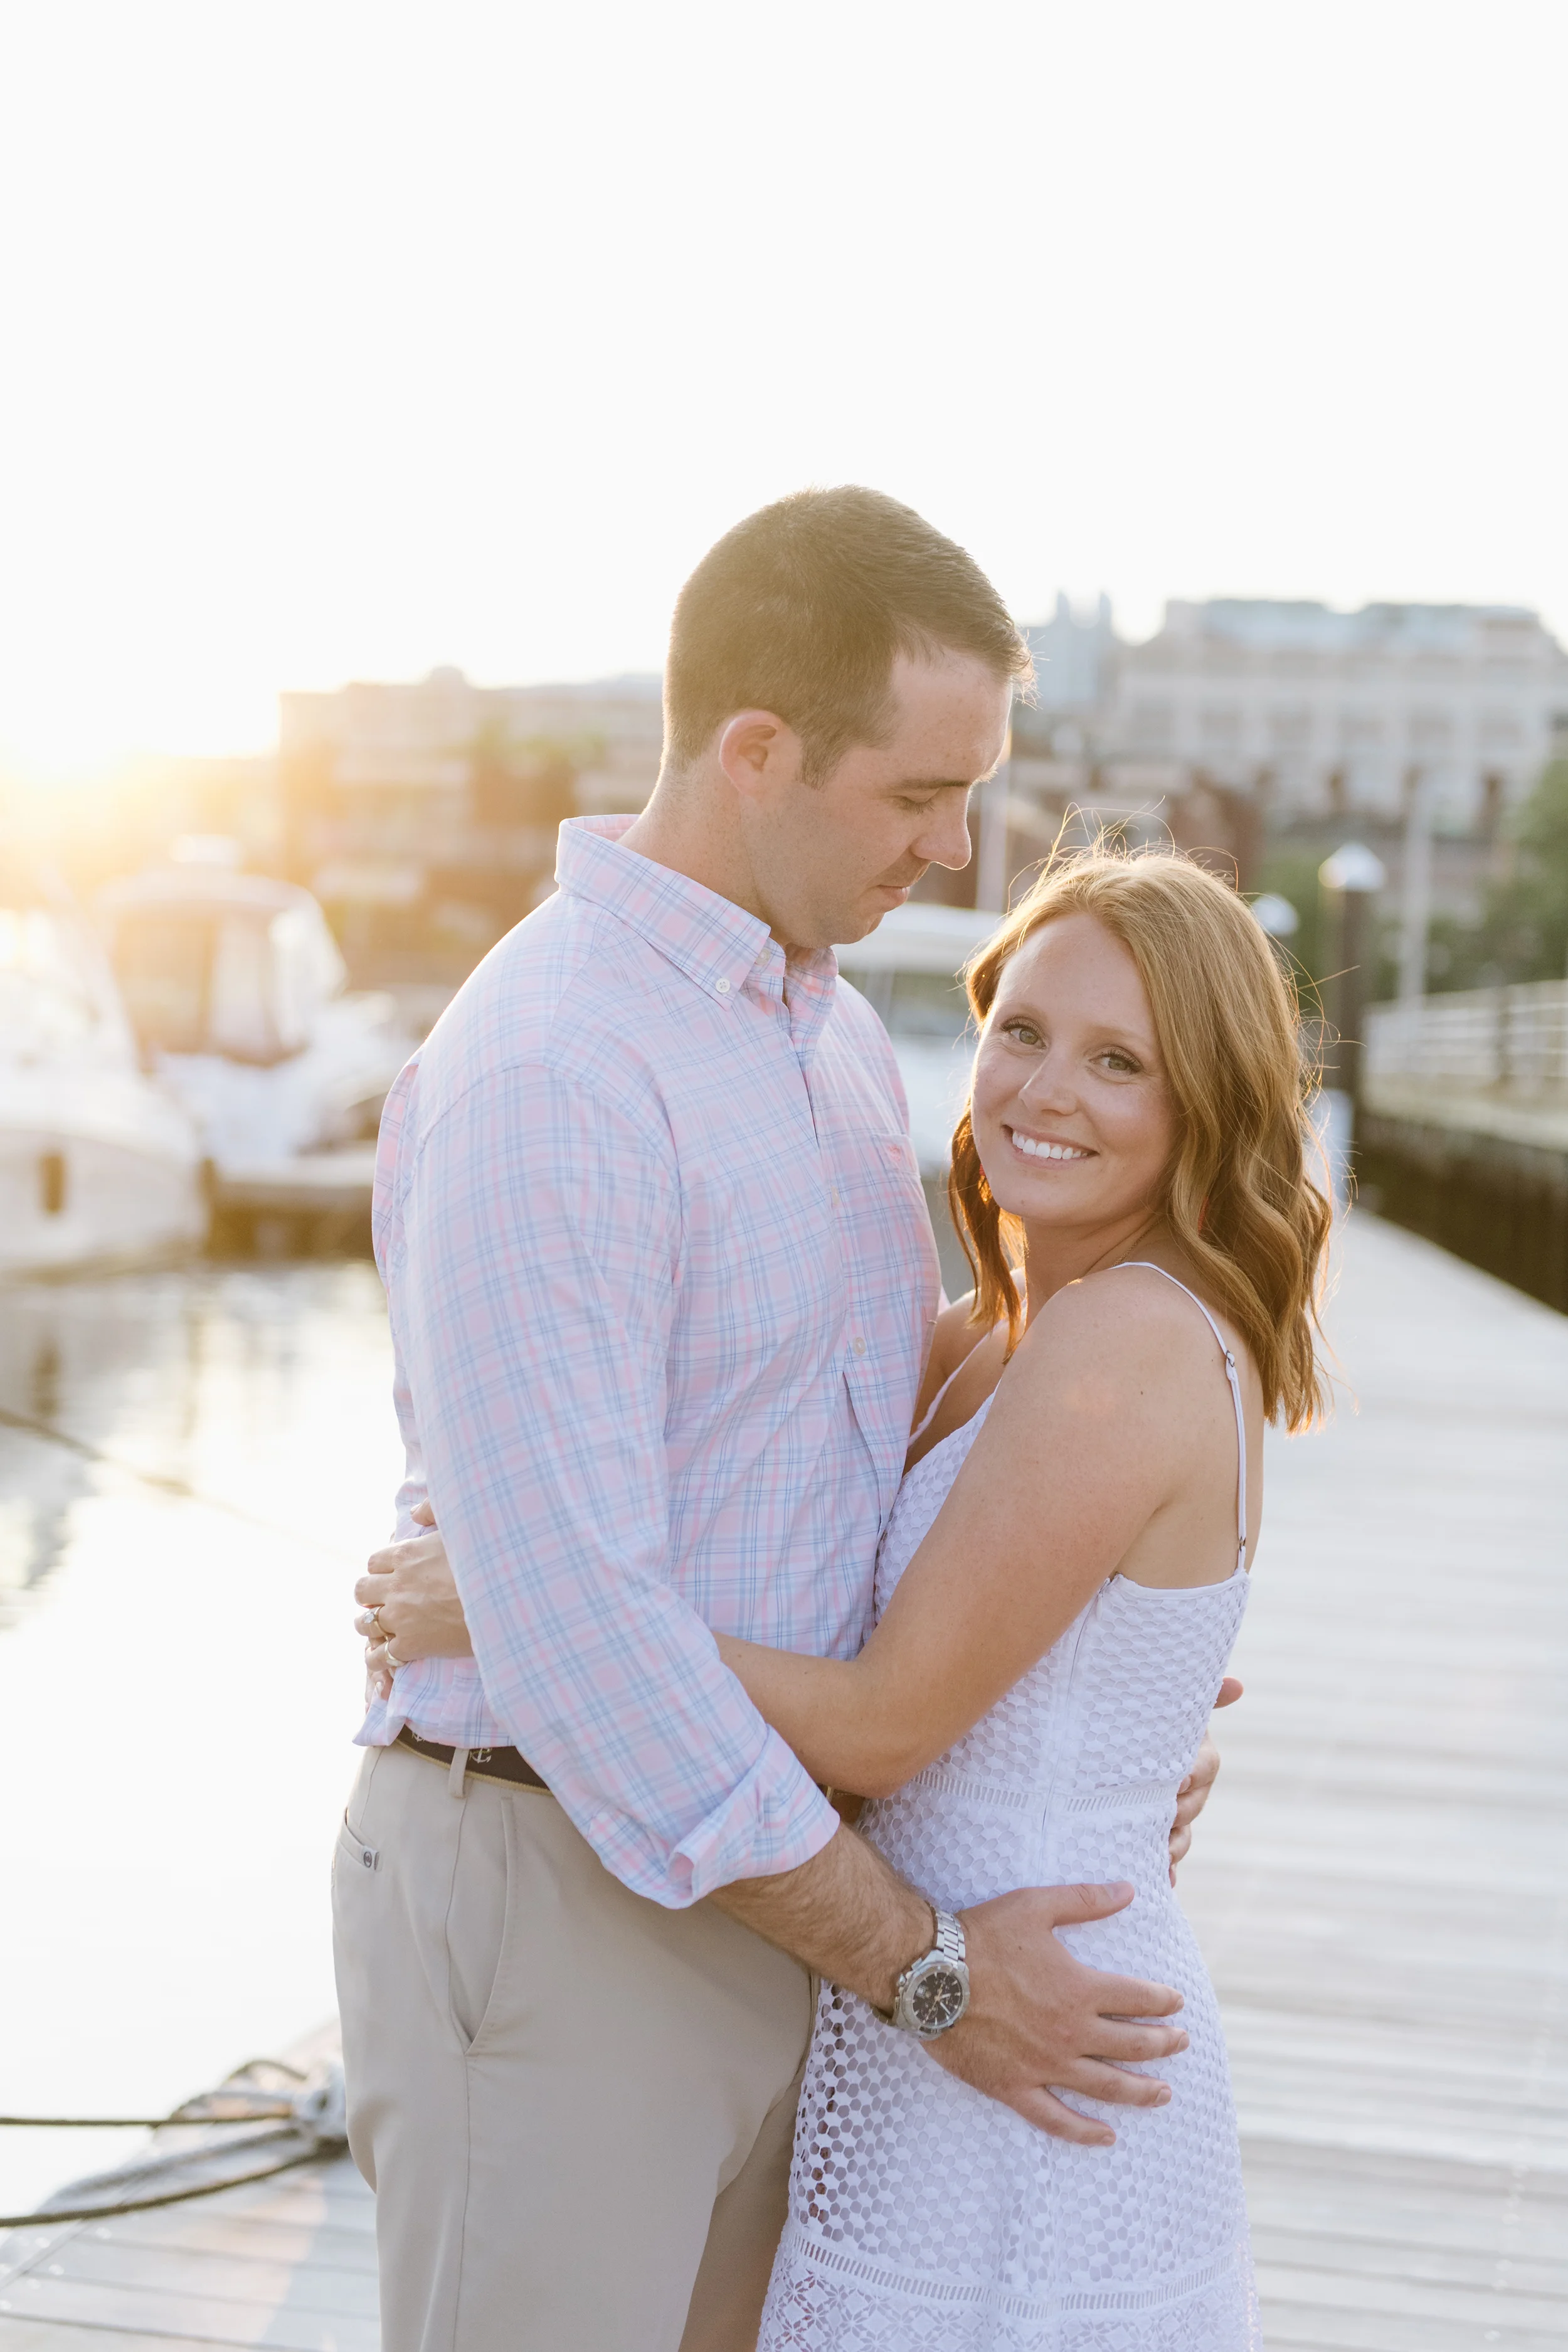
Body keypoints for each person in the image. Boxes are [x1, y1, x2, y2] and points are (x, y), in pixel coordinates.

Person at [335, 487, 1231, 2352]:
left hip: (795, 1910)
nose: (956, 844)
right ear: (755, 752)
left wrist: (1091, 1706)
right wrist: (923, 1969)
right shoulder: (558, 1066)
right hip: (576, 1899)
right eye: (921, 793)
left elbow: (863, 1461)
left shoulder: (824, 1034)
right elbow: (588, 1649)